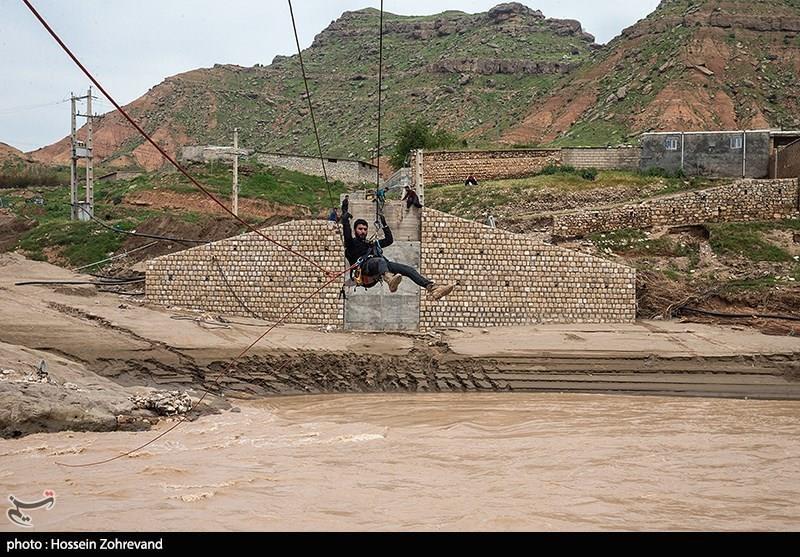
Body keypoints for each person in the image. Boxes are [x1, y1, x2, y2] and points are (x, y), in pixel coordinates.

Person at [341, 210, 454, 300]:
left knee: (409, 270)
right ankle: (390, 280)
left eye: (365, 229)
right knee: (379, 261)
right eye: (360, 229)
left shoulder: (371, 244)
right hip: (364, 270)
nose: (363, 231)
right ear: (355, 230)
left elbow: (389, 240)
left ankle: (433, 288)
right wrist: (345, 220)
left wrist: (384, 224)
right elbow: (347, 236)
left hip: (380, 267)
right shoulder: (352, 244)